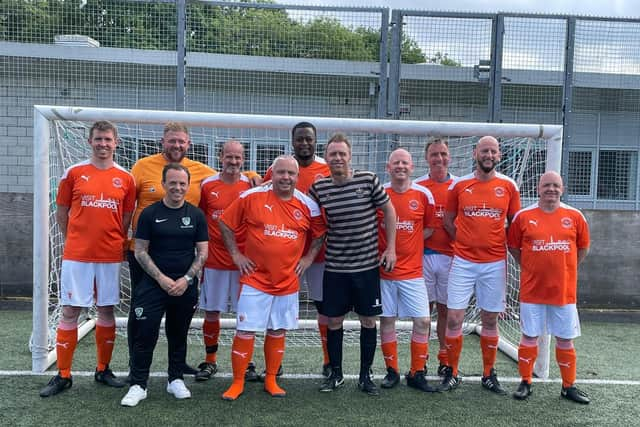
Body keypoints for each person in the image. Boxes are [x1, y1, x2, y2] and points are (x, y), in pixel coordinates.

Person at [127, 122, 261, 376]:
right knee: (142, 313)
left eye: (181, 141)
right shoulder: (142, 166)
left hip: (190, 257)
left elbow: (232, 175)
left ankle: (183, 366)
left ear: (189, 144)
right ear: (162, 141)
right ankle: (137, 367)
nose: (176, 145)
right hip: (146, 253)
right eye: (172, 141)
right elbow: (127, 203)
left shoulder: (207, 175)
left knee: (185, 315)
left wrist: (252, 173)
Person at [40, 121, 136, 397]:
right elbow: (62, 212)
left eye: (107, 139)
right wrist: (76, 241)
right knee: (70, 311)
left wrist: (115, 242)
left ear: (116, 142)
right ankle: (64, 375)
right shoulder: (74, 173)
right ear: (89, 141)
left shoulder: (126, 179)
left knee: (106, 311)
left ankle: (103, 369)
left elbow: (126, 217)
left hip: (109, 256)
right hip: (78, 256)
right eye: (98, 139)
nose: (103, 144)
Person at [218, 156, 325, 401]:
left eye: (291, 173)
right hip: (254, 279)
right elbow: (225, 223)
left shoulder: (308, 205)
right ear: (272, 174)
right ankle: (237, 382)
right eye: (281, 173)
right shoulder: (252, 197)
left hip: (287, 281)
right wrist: (236, 255)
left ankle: (271, 379)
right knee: (245, 331)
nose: (286, 177)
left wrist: (308, 259)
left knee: (277, 331)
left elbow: (320, 234)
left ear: (297, 177)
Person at [309, 133, 397, 396]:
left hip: (367, 268)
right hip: (335, 268)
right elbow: (303, 211)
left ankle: (365, 375)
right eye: (332, 154)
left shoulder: (368, 180)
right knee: (333, 320)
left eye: (341, 153)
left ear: (350, 156)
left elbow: (390, 211)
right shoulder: (318, 188)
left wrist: (390, 248)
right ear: (326, 158)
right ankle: (336, 374)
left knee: (368, 321)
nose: (337, 158)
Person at [121, 163, 209, 407]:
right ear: (163, 185)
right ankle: (139, 384)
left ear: (187, 185)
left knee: (178, 334)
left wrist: (186, 279)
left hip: (185, 286)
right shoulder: (149, 214)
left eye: (182, 183)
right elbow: (139, 251)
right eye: (173, 183)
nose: (177, 188)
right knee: (144, 334)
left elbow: (202, 253)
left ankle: (176, 379)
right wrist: (160, 278)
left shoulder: (196, 215)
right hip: (152, 285)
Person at [440, 136, 521, 394]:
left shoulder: (509, 186)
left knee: (490, 318)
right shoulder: (460, 185)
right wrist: (465, 242)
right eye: (484, 150)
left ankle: (488, 374)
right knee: (454, 318)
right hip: (462, 262)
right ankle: (452, 372)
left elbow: (515, 225)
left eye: (493, 151)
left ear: (499, 156)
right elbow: (448, 220)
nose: (488, 155)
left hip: (494, 264)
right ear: (475, 153)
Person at [508, 171, 591, 404]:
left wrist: (566, 268)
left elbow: (582, 248)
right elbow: (514, 247)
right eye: (546, 185)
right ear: (538, 189)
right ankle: (525, 382)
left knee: (565, 339)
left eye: (556, 185)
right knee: (529, 336)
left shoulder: (575, 216)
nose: (551, 189)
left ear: (562, 189)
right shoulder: (523, 217)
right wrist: (532, 266)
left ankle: (568, 386)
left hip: (563, 291)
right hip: (532, 290)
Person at [262, 121, 332, 378]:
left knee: (324, 308)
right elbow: (261, 194)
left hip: (319, 252)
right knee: (277, 309)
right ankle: (273, 365)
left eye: (309, 139)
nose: (304, 143)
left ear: (316, 141)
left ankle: (328, 361)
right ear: (293, 142)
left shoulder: (326, 169)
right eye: (300, 139)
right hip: (284, 254)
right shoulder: (278, 169)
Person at [378, 149, 437, 392]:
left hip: (413, 272)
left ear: (412, 167)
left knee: (423, 321)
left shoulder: (424, 194)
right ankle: (392, 371)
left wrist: (409, 243)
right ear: (388, 168)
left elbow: (429, 228)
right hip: (385, 271)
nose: (400, 166)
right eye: (396, 163)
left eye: (405, 163)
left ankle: (417, 372)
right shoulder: (380, 192)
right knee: (387, 320)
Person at [194, 140, 252, 381]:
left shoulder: (250, 185)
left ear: (244, 159)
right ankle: (210, 361)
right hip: (215, 261)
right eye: (229, 157)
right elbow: (202, 216)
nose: (234, 162)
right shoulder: (208, 186)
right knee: (211, 313)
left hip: (243, 263)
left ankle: (246, 362)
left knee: (245, 314)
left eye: (238, 157)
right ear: (220, 157)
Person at [415, 137, 455, 376]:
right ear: (426, 158)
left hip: (451, 257)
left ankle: (444, 355)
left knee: (446, 311)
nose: (439, 159)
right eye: (434, 154)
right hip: (424, 257)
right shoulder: (418, 187)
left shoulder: (460, 186)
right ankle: (421, 358)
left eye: (443, 154)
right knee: (423, 311)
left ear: (449, 156)